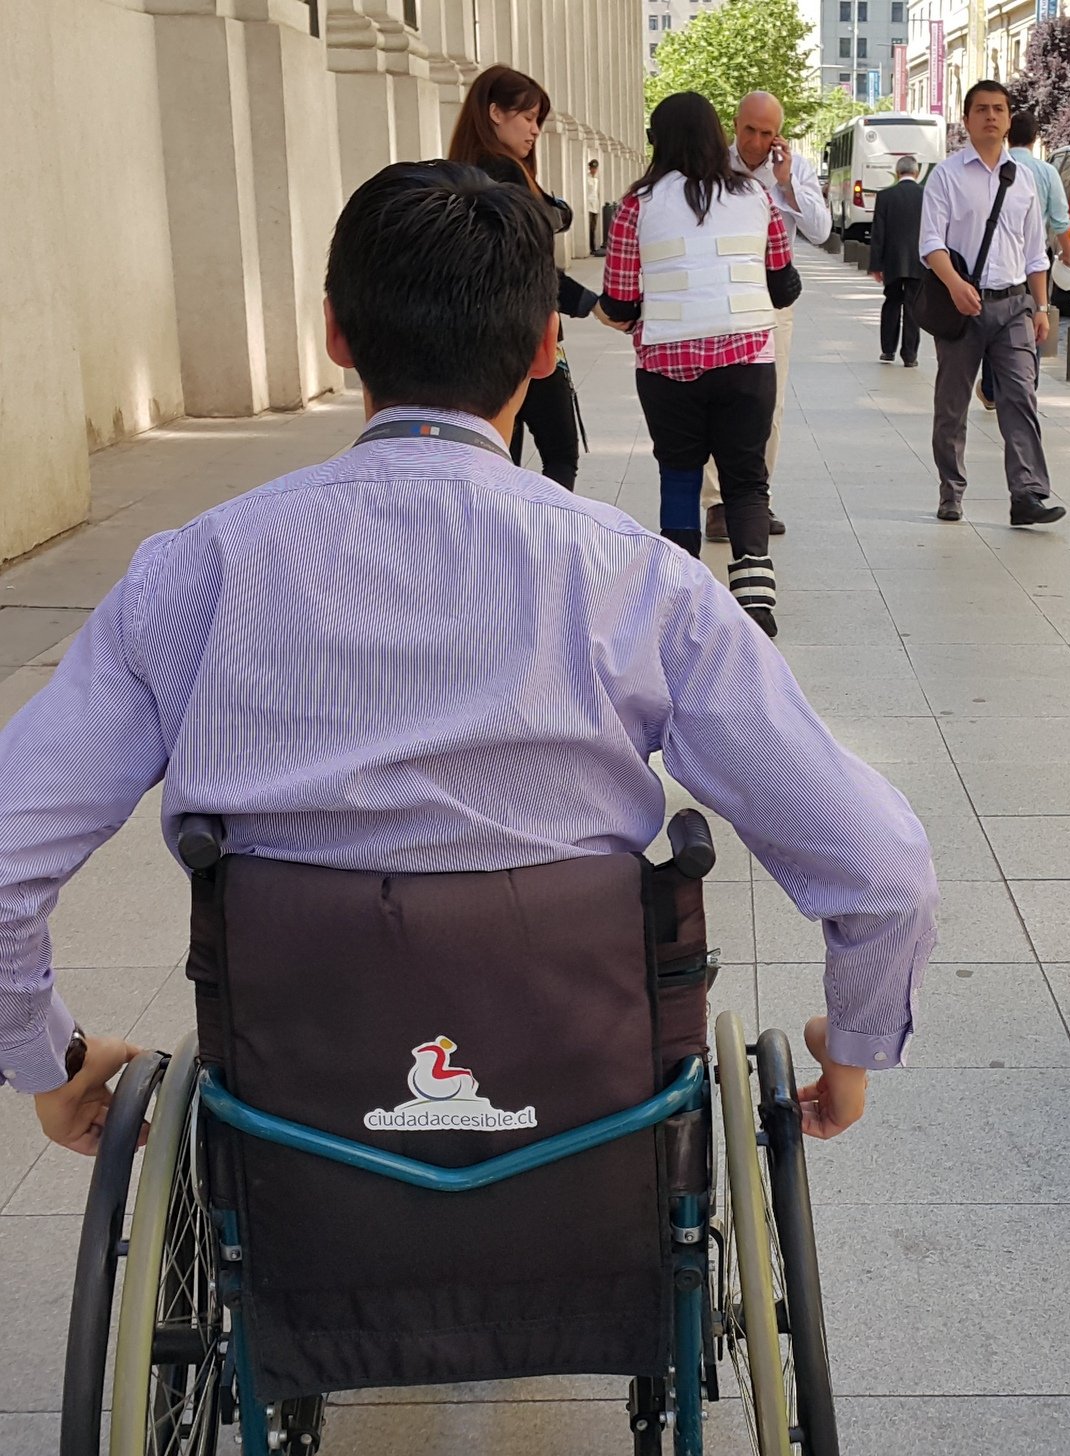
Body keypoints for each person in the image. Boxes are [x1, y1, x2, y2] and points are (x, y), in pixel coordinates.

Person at [0, 159, 937, 1155]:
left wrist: (45, 1060)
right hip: (587, 1118)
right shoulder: (640, 584)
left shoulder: (193, 575)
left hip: (291, 1122)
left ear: (335, 333)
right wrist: (854, 1046)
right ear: (545, 346)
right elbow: (884, 874)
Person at [598, 91, 800, 637]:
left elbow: (618, 301)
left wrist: (630, 317)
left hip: (666, 366)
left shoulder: (636, 205)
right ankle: (755, 594)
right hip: (747, 361)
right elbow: (785, 286)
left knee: (680, 473)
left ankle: (682, 595)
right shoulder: (755, 197)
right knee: (746, 477)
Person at [920, 81, 1062, 528]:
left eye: (999, 109)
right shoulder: (946, 175)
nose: (991, 117)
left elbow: (1036, 251)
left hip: (1014, 304)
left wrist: (1040, 308)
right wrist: (956, 285)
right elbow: (930, 243)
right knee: (953, 403)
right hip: (963, 307)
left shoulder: (1022, 178)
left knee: (1020, 396)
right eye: (981, 109)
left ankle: (1028, 494)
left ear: (1008, 118)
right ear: (966, 120)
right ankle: (951, 490)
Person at [448, 66, 594, 491]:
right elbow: (527, 263)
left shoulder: (466, 169)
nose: (534, 130)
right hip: (525, 332)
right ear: (495, 112)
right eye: (527, 117)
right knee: (560, 452)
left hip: (482, 335)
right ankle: (544, 543)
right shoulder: (503, 173)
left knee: (497, 453)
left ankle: (494, 545)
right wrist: (590, 303)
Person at [702, 91, 830, 545]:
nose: (756, 141)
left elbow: (820, 230)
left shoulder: (792, 171)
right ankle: (718, 504)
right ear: (734, 124)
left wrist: (787, 183)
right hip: (718, 296)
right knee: (718, 399)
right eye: (749, 130)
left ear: (779, 134)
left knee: (767, 404)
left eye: (767, 132)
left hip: (772, 299)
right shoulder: (712, 163)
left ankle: (754, 496)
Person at [978, 107, 1070, 407]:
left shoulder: (990, 167)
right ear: (1035, 138)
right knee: (1035, 320)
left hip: (996, 258)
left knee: (994, 319)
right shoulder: (1046, 172)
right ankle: (1028, 384)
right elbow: (1060, 221)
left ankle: (992, 389)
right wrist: (1068, 257)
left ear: (1007, 134)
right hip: (1035, 260)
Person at [870, 154, 925, 368]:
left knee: (891, 302)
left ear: (897, 172)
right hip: (918, 260)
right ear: (917, 172)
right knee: (913, 306)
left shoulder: (885, 196)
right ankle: (910, 355)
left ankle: (887, 350)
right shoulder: (926, 195)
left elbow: (878, 233)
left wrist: (876, 265)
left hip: (891, 260)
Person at [585, 157, 604, 255]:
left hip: (595, 205)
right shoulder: (586, 178)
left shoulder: (596, 179)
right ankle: (590, 247)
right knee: (589, 227)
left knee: (593, 227)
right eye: (592, 168)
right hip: (588, 205)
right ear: (589, 168)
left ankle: (593, 247)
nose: (594, 170)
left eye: (595, 168)